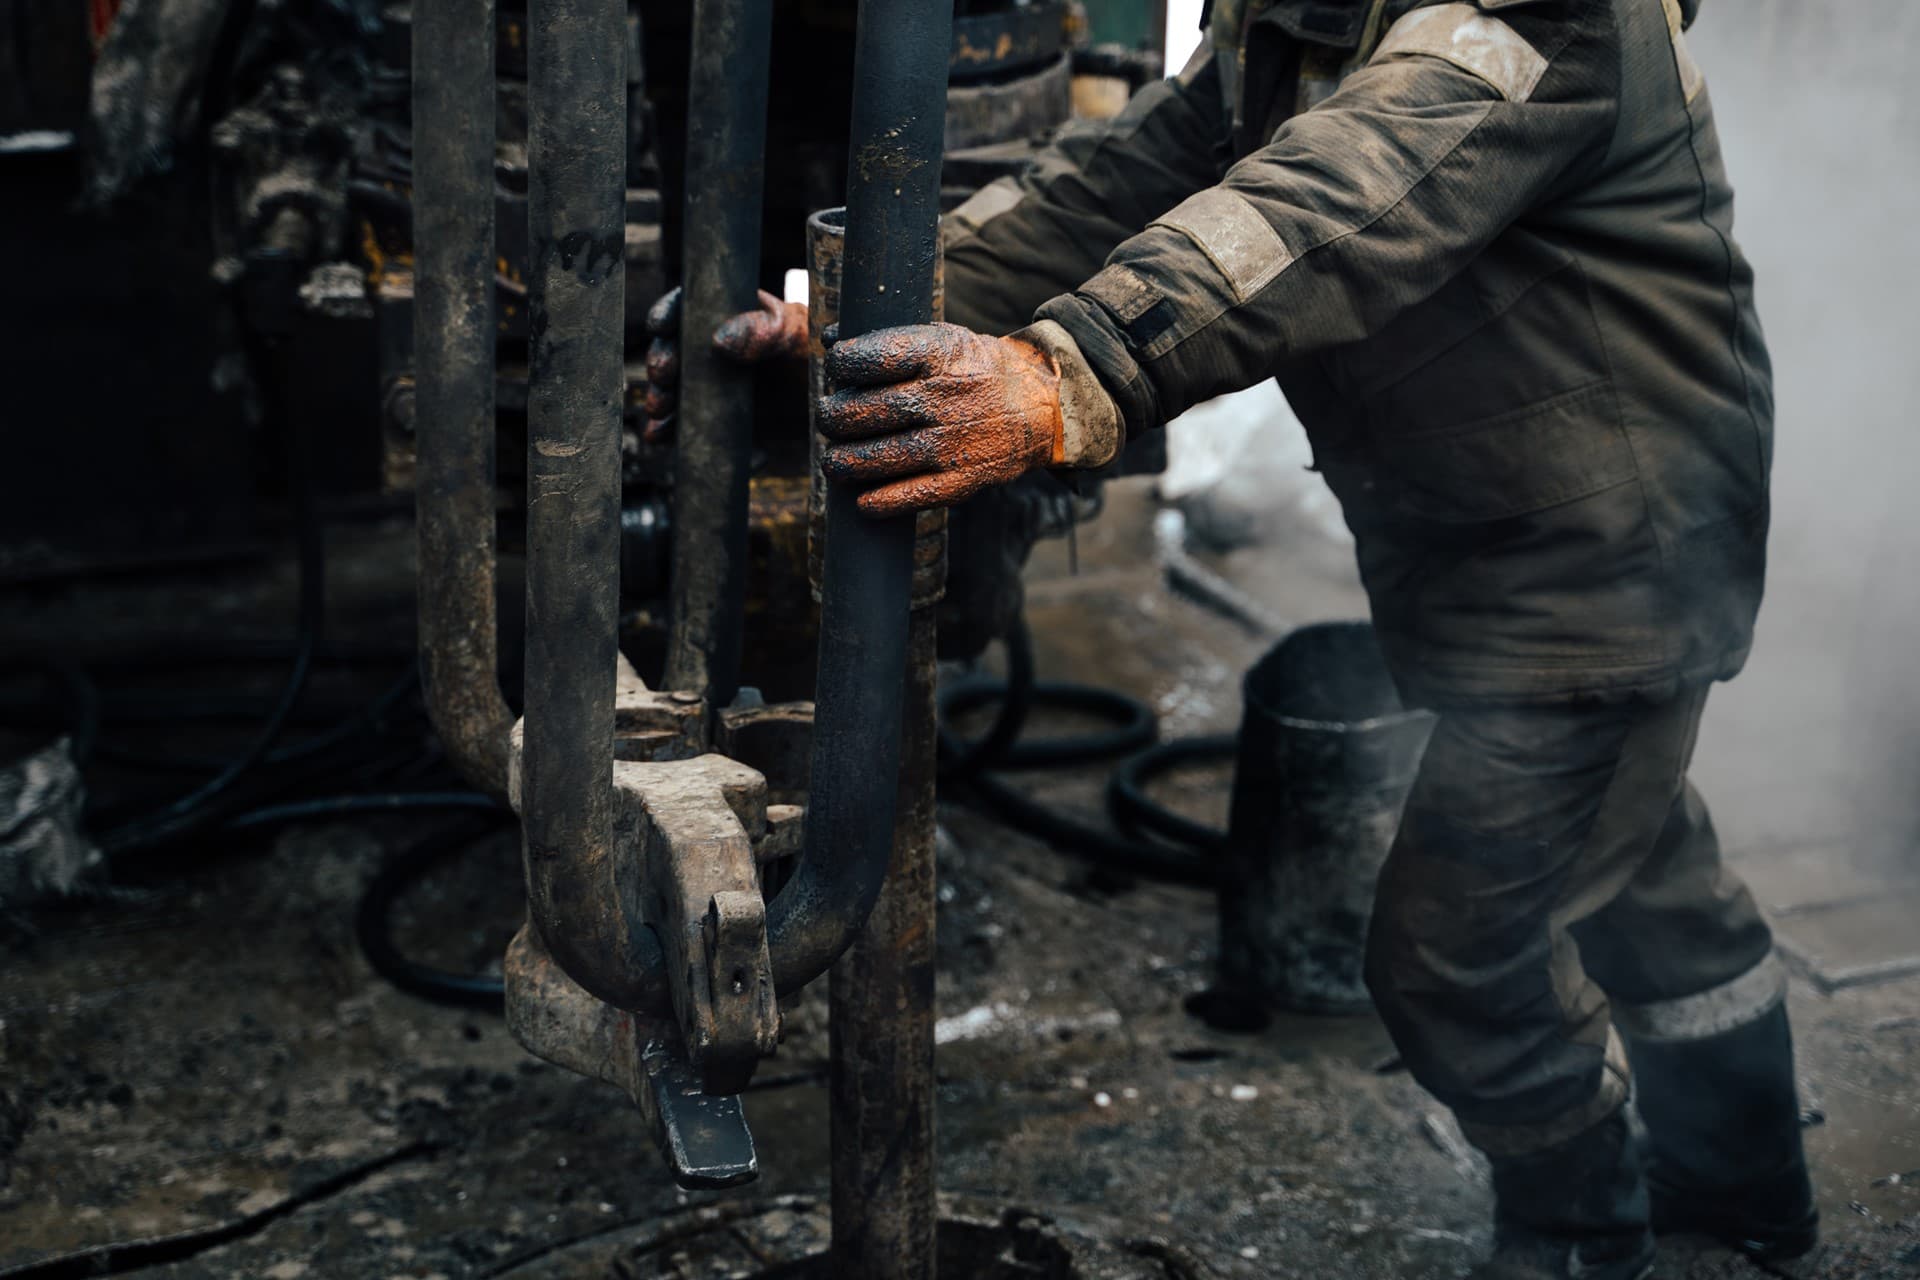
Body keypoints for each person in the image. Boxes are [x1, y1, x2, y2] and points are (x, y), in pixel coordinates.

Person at [647, 1, 1813, 1275]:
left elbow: (1327, 204)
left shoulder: (1542, 19)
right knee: (1643, 874)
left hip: (1608, 563)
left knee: (1454, 958)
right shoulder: (1309, 17)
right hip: (1492, 531)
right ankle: (1748, 1195)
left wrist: (1059, 375)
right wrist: (870, 306)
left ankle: (1584, 1236)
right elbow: (1114, 182)